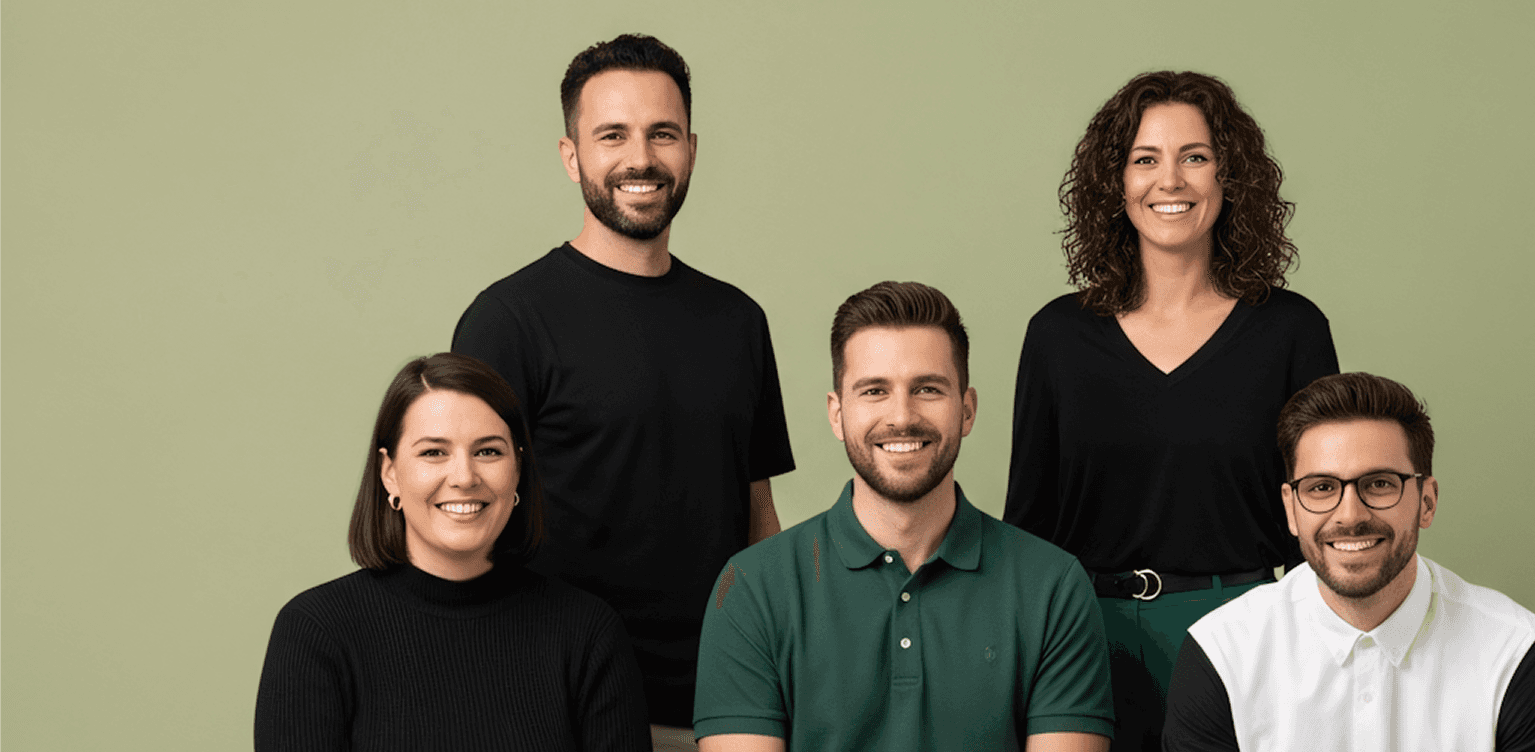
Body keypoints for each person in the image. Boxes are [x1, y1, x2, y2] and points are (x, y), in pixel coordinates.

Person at [450, 34, 794, 746]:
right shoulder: (508, 321)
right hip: (561, 710)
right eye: (613, 135)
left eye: (661, 134)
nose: (640, 158)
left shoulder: (737, 321)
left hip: (724, 710)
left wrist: (781, 668)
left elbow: (758, 515)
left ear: (691, 150)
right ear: (572, 156)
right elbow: (462, 528)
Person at [1003, 71, 1337, 749]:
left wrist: (1313, 652)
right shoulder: (1057, 336)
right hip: (1084, 641)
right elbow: (1029, 527)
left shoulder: (1291, 331)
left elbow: (1325, 508)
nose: (1171, 181)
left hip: (1247, 629)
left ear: (1229, 176)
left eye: (1196, 157)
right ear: (1115, 184)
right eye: (1145, 160)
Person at [694, 282, 1114, 751]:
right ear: (837, 414)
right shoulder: (752, 588)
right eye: (874, 391)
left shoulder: (1054, 588)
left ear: (967, 410)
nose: (902, 417)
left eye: (928, 389)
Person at [1163, 372, 1535, 751]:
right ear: (1291, 510)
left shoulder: (1514, 652)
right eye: (1322, 487)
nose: (1350, 515)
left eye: (1379, 483)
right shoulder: (1222, 654)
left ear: (1427, 502)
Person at [253, 353, 649, 751]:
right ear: (389, 473)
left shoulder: (588, 632)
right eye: (433, 452)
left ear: (518, 469)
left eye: (488, 451)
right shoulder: (315, 630)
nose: (464, 477)